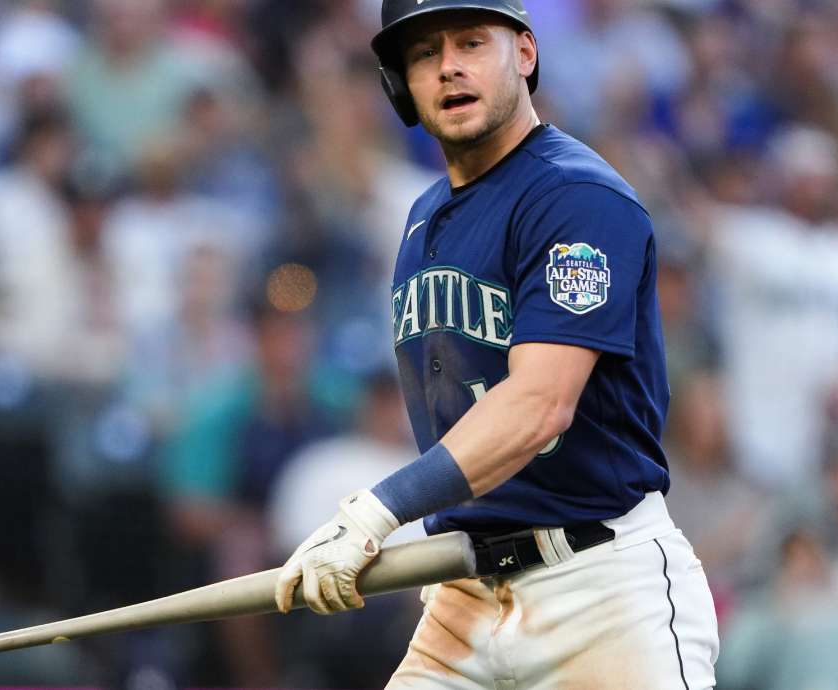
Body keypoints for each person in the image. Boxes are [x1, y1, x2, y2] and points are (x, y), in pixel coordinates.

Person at [272, 2, 720, 689]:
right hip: (464, 589)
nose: (448, 65)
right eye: (424, 53)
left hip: (598, 588)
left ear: (526, 54)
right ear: (401, 85)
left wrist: (375, 511)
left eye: (472, 42)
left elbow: (540, 403)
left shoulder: (576, 196)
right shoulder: (423, 218)